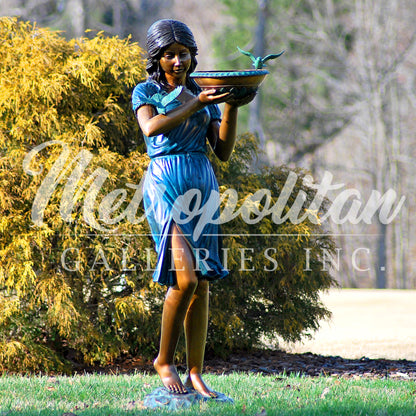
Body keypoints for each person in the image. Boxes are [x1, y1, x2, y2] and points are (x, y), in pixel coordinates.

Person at [132, 19, 253, 397]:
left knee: (200, 283)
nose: (177, 60)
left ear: (192, 55)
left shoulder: (203, 90)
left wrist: (230, 107)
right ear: (157, 57)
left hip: (201, 182)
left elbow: (223, 152)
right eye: (169, 54)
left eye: (183, 53)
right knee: (183, 280)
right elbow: (152, 130)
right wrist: (196, 103)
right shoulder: (146, 91)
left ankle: (196, 372)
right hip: (166, 183)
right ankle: (164, 361)